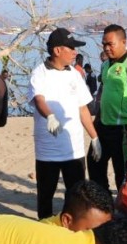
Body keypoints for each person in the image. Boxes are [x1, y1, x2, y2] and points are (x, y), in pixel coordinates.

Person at [29, 28, 100, 219]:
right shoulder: (40, 73)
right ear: (57, 50)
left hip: (73, 150)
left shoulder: (75, 74)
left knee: (76, 196)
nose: (75, 52)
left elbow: (83, 109)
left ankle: (73, 230)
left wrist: (94, 137)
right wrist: (50, 116)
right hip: (48, 152)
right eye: (71, 48)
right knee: (45, 196)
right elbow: (39, 99)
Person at [92, 24, 127, 191]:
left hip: (123, 128)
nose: (107, 48)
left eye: (111, 44)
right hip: (102, 125)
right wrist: (97, 120)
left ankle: (125, 210)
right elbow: (104, 92)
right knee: (94, 165)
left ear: (123, 42)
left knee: (122, 173)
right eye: (104, 44)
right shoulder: (105, 65)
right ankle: (104, 204)